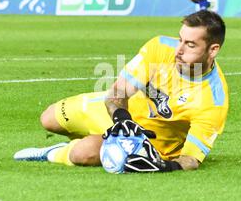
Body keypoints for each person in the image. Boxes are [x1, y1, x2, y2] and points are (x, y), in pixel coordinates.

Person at [14, 10, 229, 172]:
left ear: (213, 50)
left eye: (190, 45)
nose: (179, 50)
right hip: (121, 115)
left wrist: (163, 167)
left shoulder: (213, 100)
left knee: (82, 153)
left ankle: (55, 152)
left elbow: (190, 160)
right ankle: (96, 140)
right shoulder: (160, 47)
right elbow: (117, 93)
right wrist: (122, 118)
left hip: (150, 141)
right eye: (180, 39)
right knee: (49, 118)